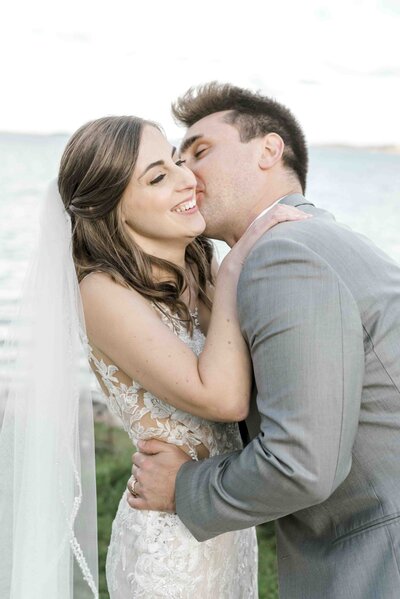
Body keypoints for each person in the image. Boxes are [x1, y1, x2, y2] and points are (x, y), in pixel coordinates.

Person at [15, 115, 305, 599]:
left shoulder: (200, 264)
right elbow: (225, 399)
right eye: (158, 176)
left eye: (176, 159)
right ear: (114, 210)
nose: (187, 177)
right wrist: (235, 268)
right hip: (168, 544)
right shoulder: (101, 292)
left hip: (220, 516)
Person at [129, 83, 400, 599]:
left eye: (201, 152)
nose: (186, 175)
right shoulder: (313, 240)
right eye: (176, 162)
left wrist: (184, 487)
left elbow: (301, 465)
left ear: (269, 151)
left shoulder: (285, 255)